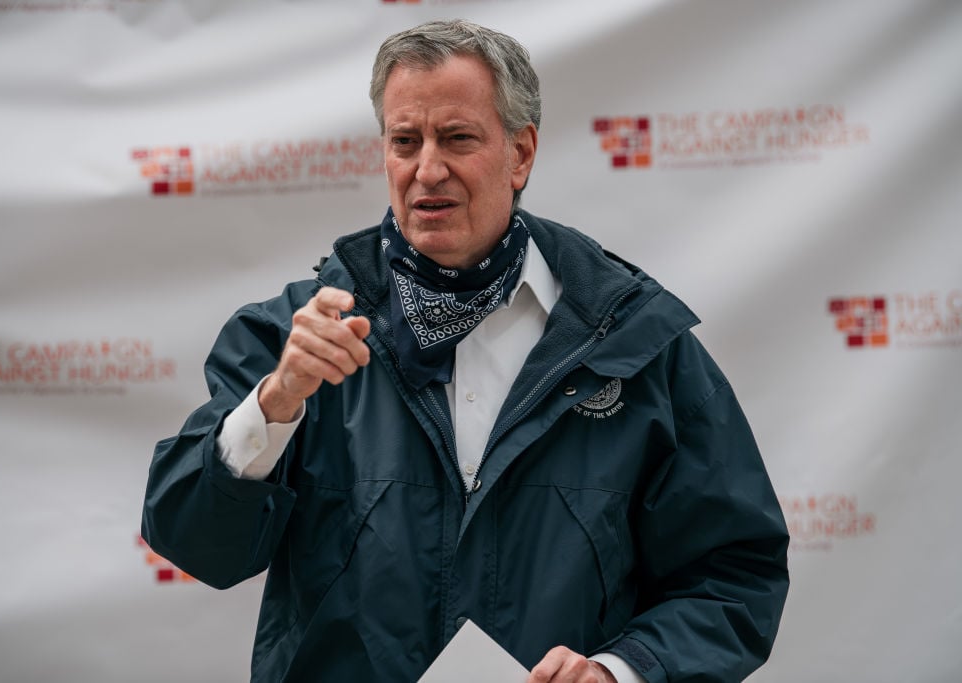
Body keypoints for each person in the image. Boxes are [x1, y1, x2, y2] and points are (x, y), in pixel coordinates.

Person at [142, 19, 789, 683]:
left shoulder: (633, 340)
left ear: (521, 153)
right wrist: (276, 402)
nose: (427, 169)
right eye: (404, 140)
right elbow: (198, 545)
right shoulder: (296, 338)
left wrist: (619, 670)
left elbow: (734, 574)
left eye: (456, 138)